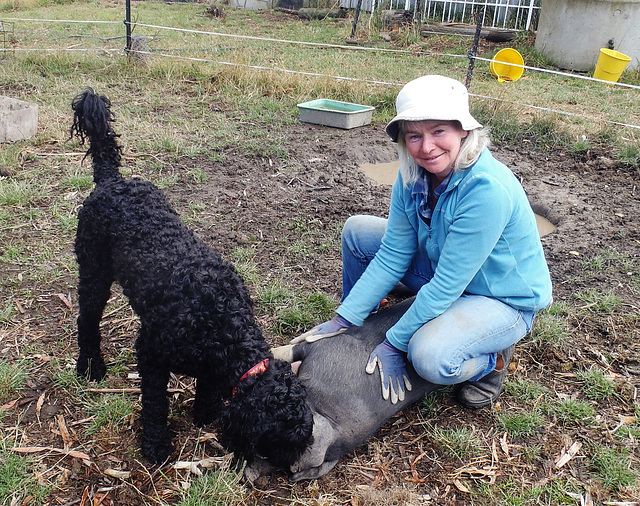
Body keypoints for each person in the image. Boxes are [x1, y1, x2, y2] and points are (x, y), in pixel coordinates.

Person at [293, 75, 552, 408]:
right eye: (415, 135)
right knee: (358, 232)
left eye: (439, 131)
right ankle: (364, 326)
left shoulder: (485, 190)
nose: (426, 147)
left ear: (464, 130)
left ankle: (491, 364)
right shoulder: (411, 173)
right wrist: (345, 319)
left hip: (499, 296)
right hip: (444, 266)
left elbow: (446, 286)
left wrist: (394, 343)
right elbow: (393, 253)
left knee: (428, 356)